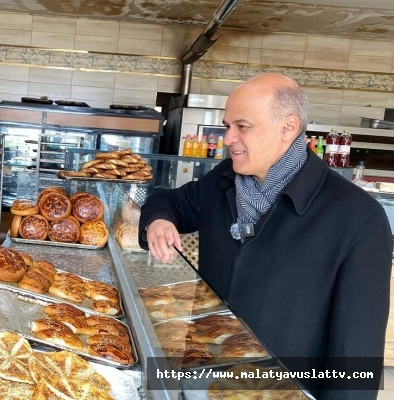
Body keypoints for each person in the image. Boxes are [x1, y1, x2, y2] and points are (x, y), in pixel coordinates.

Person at [139, 74, 392, 399]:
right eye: (227, 125)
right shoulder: (223, 180)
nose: (228, 138)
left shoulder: (356, 218)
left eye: (242, 126)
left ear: (288, 127)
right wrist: (158, 221)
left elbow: (354, 354)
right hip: (203, 380)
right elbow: (169, 201)